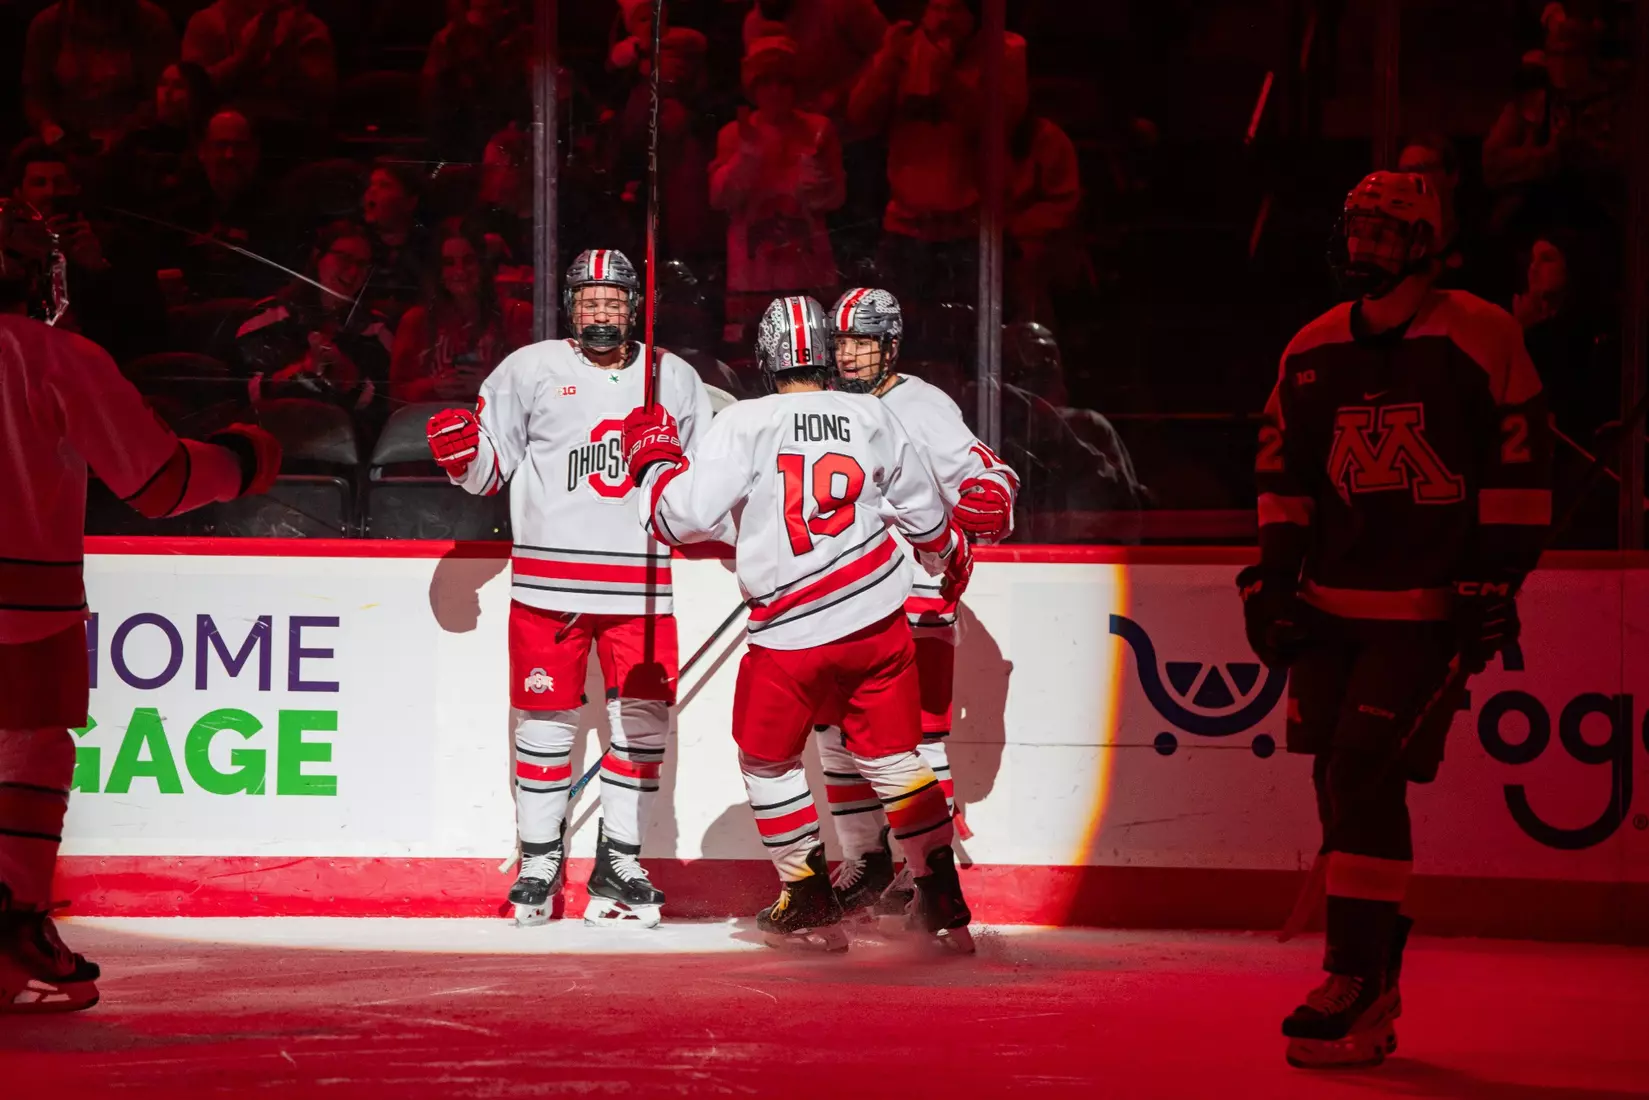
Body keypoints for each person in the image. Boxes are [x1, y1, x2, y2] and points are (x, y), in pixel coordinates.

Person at [1244, 171, 1552, 1068]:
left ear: (1424, 242)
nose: (1364, 246)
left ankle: (1352, 973)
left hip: (1423, 612)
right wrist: (1272, 581)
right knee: (1338, 783)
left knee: (1364, 774)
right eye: (1356, 229)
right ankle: (1373, 965)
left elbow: (1520, 468)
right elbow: (1282, 478)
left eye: (1384, 232)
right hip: (1331, 608)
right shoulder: (1307, 349)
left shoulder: (1481, 333)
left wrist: (1495, 579)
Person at [619, 296, 976, 953]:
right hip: (876, 624)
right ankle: (940, 894)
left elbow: (678, 519)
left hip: (789, 635)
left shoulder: (746, 422)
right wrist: (951, 552)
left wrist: (652, 464)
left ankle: (806, 894)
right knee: (898, 761)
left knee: (767, 761)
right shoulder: (872, 414)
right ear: (824, 355)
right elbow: (928, 522)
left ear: (767, 357)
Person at [0, 197, 280, 1014]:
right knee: (30, 754)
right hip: (26, 604)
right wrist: (245, 457)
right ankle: (13, 921)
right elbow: (159, 483)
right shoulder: (53, 357)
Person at [424, 249, 713, 929]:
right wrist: (464, 458)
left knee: (640, 728)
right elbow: (489, 472)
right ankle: (539, 858)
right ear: (569, 306)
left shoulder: (673, 377)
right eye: (588, 300)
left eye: (612, 301)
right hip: (547, 584)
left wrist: (668, 468)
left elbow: (705, 492)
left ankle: (620, 858)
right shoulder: (526, 370)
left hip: (641, 587)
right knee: (545, 727)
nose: (600, 312)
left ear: (633, 306)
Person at [809, 288, 1017, 922]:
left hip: (917, 595)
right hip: (842, 601)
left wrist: (989, 497)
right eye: (841, 342)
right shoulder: (822, 407)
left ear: (890, 345)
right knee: (834, 734)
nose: (849, 355)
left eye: (863, 342)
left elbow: (989, 471)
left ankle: (925, 870)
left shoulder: (920, 404)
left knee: (917, 741)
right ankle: (867, 860)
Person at [709, 36, 845, 333]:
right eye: (766, 81)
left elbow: (836, 197)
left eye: (784, 81)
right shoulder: (734, 134)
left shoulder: (818, 130)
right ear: (753, 86)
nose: (775, 91)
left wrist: (817, 184)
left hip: (808, 268)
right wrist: (746, 158)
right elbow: (720, 199)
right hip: (752, 274)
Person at [235, 220, 392, 414]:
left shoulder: (376, 329)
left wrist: (347, 377)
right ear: (318, 257)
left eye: (362, 264)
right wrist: (303, 369)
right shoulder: (270, 315)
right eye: (344, 259)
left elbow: (387, 406)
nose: (353, 272)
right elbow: (241, 395)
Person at [389, 218, 533, 405]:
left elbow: (538, 390)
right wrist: (432, 386)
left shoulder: (516, 316)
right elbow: (393, 397)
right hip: (426, 428)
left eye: (468, 261)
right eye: (449, 263)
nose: (460, 271)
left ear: (483, 265)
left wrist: (489, 383)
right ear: (439, 271)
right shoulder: (416, 322)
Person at [23, 0, 179, 151]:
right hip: (65, 144)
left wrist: (126, 131)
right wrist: (49, 128)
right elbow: (36, 91)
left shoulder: (151, 22)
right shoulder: (47, 24)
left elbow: (160, 95)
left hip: (136, 145)